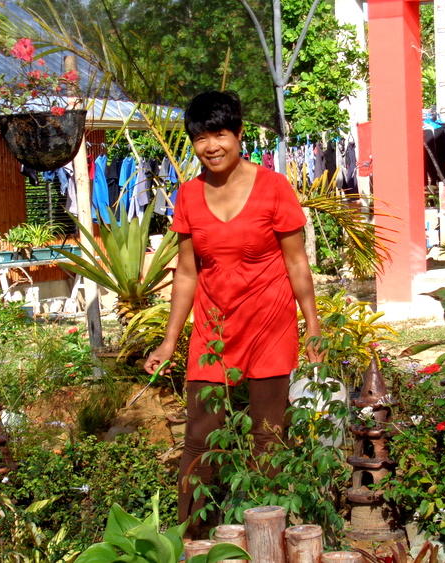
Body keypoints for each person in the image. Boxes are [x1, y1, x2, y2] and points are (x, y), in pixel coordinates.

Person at [143, 90, 323, 535]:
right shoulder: (187, 195)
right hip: (213, 331)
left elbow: (297, 263)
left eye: (220, 134)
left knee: (267, 439)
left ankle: (269, 539)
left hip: (269, 325)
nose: (211, 146)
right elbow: (186, 273)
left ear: (239, 134)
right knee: (200, 442)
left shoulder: (274, 187)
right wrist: (170, 340)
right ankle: (191, 542)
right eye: (201, 138)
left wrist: (313, 326)